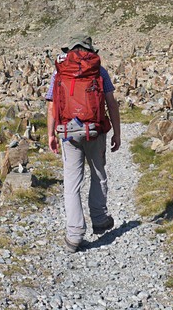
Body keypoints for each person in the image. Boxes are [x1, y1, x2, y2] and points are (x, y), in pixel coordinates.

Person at [45, 33, 121, 252]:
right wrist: (117, 133)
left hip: (67, 132)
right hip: (95, 130)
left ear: (69, 50)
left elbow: (51, 106)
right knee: (98, 175)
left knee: (71, 183)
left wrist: (51, 134)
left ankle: (74, 235)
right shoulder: (98, 70)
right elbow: (111, 103)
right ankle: (99, 220)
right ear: (90, 50)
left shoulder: (60, 72)